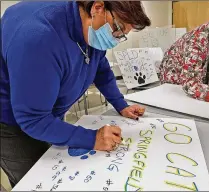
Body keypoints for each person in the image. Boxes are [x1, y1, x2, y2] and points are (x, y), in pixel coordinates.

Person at [0, 1, 150, 187]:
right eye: (117, 29)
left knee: (55, 160)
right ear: (98, 7)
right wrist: (92, 138)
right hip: (9, 120)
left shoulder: (92, 28)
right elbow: (32, 119)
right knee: (36, 180)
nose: (115, 39)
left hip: (43, 110)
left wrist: (121, 105)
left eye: (122, 35)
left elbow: (101, 70)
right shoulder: (38, 36)